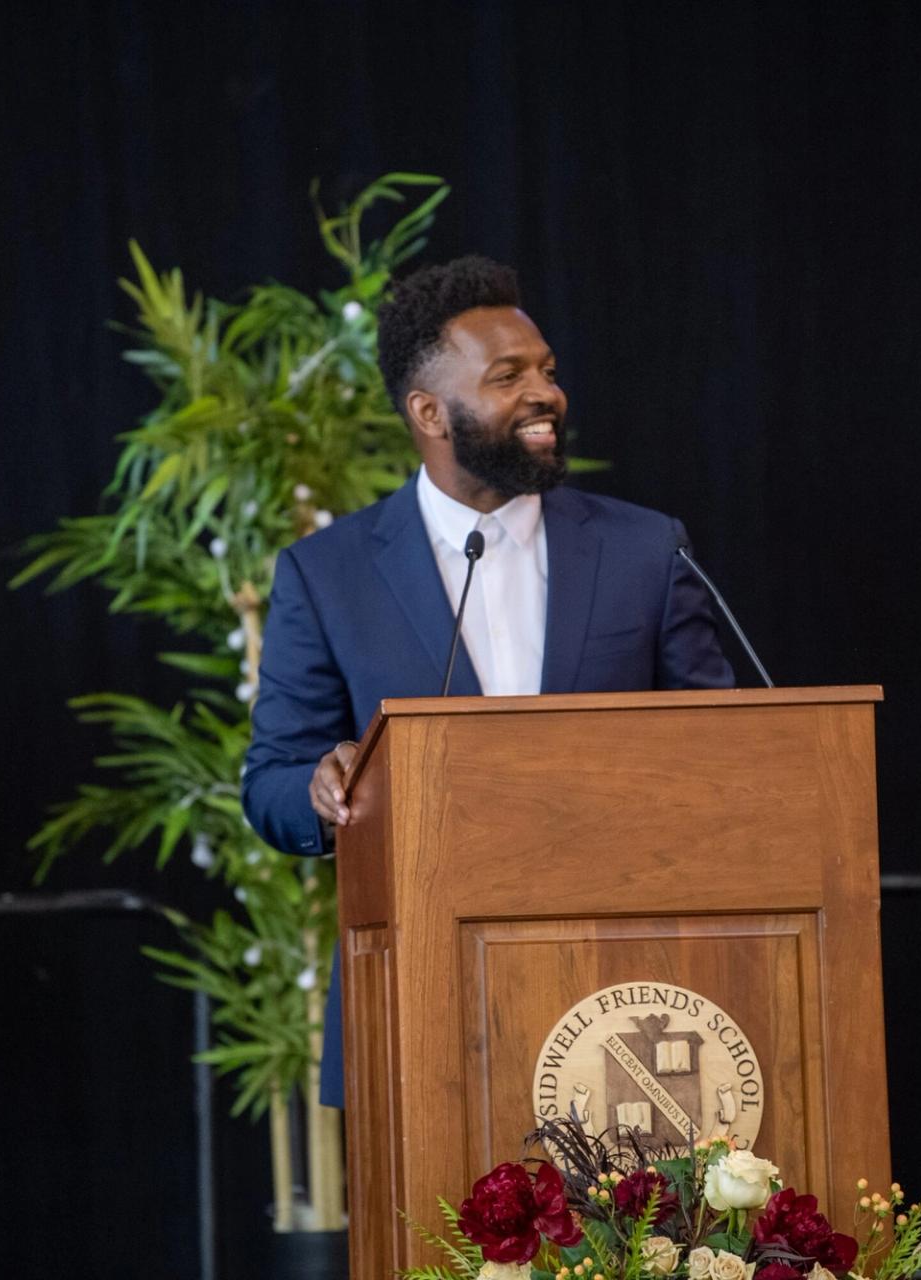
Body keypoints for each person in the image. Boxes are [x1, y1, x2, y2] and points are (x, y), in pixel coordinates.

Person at [242, 255, 735, 1106]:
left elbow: (729, 747)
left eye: (546, 370)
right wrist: (321, 791)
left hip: (635, 993)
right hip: (424, 995)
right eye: (508, 377)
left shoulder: (646, 551)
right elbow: (271, 783)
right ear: (429, 411)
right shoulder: (331, 574)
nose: (545, 393)